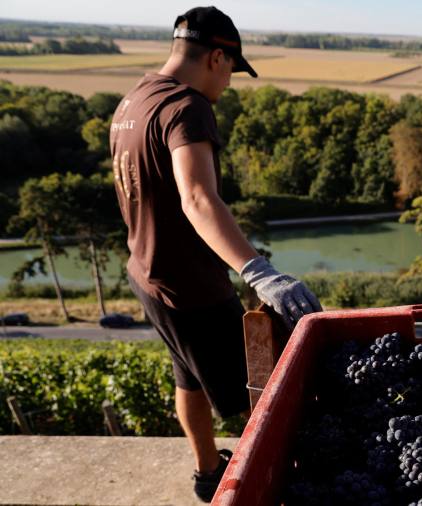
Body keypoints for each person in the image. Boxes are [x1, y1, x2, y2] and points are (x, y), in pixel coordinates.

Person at [108, 6, 322, 502]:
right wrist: (259, 271)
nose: (227, 86)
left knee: (189, 375)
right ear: (218, 58)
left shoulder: (134, 101)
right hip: (191, 288)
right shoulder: (187, 107)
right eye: (232, 72)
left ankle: (208, 474)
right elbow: (198, 197)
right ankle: (274, 490)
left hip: (146, 273)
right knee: (266, 397)